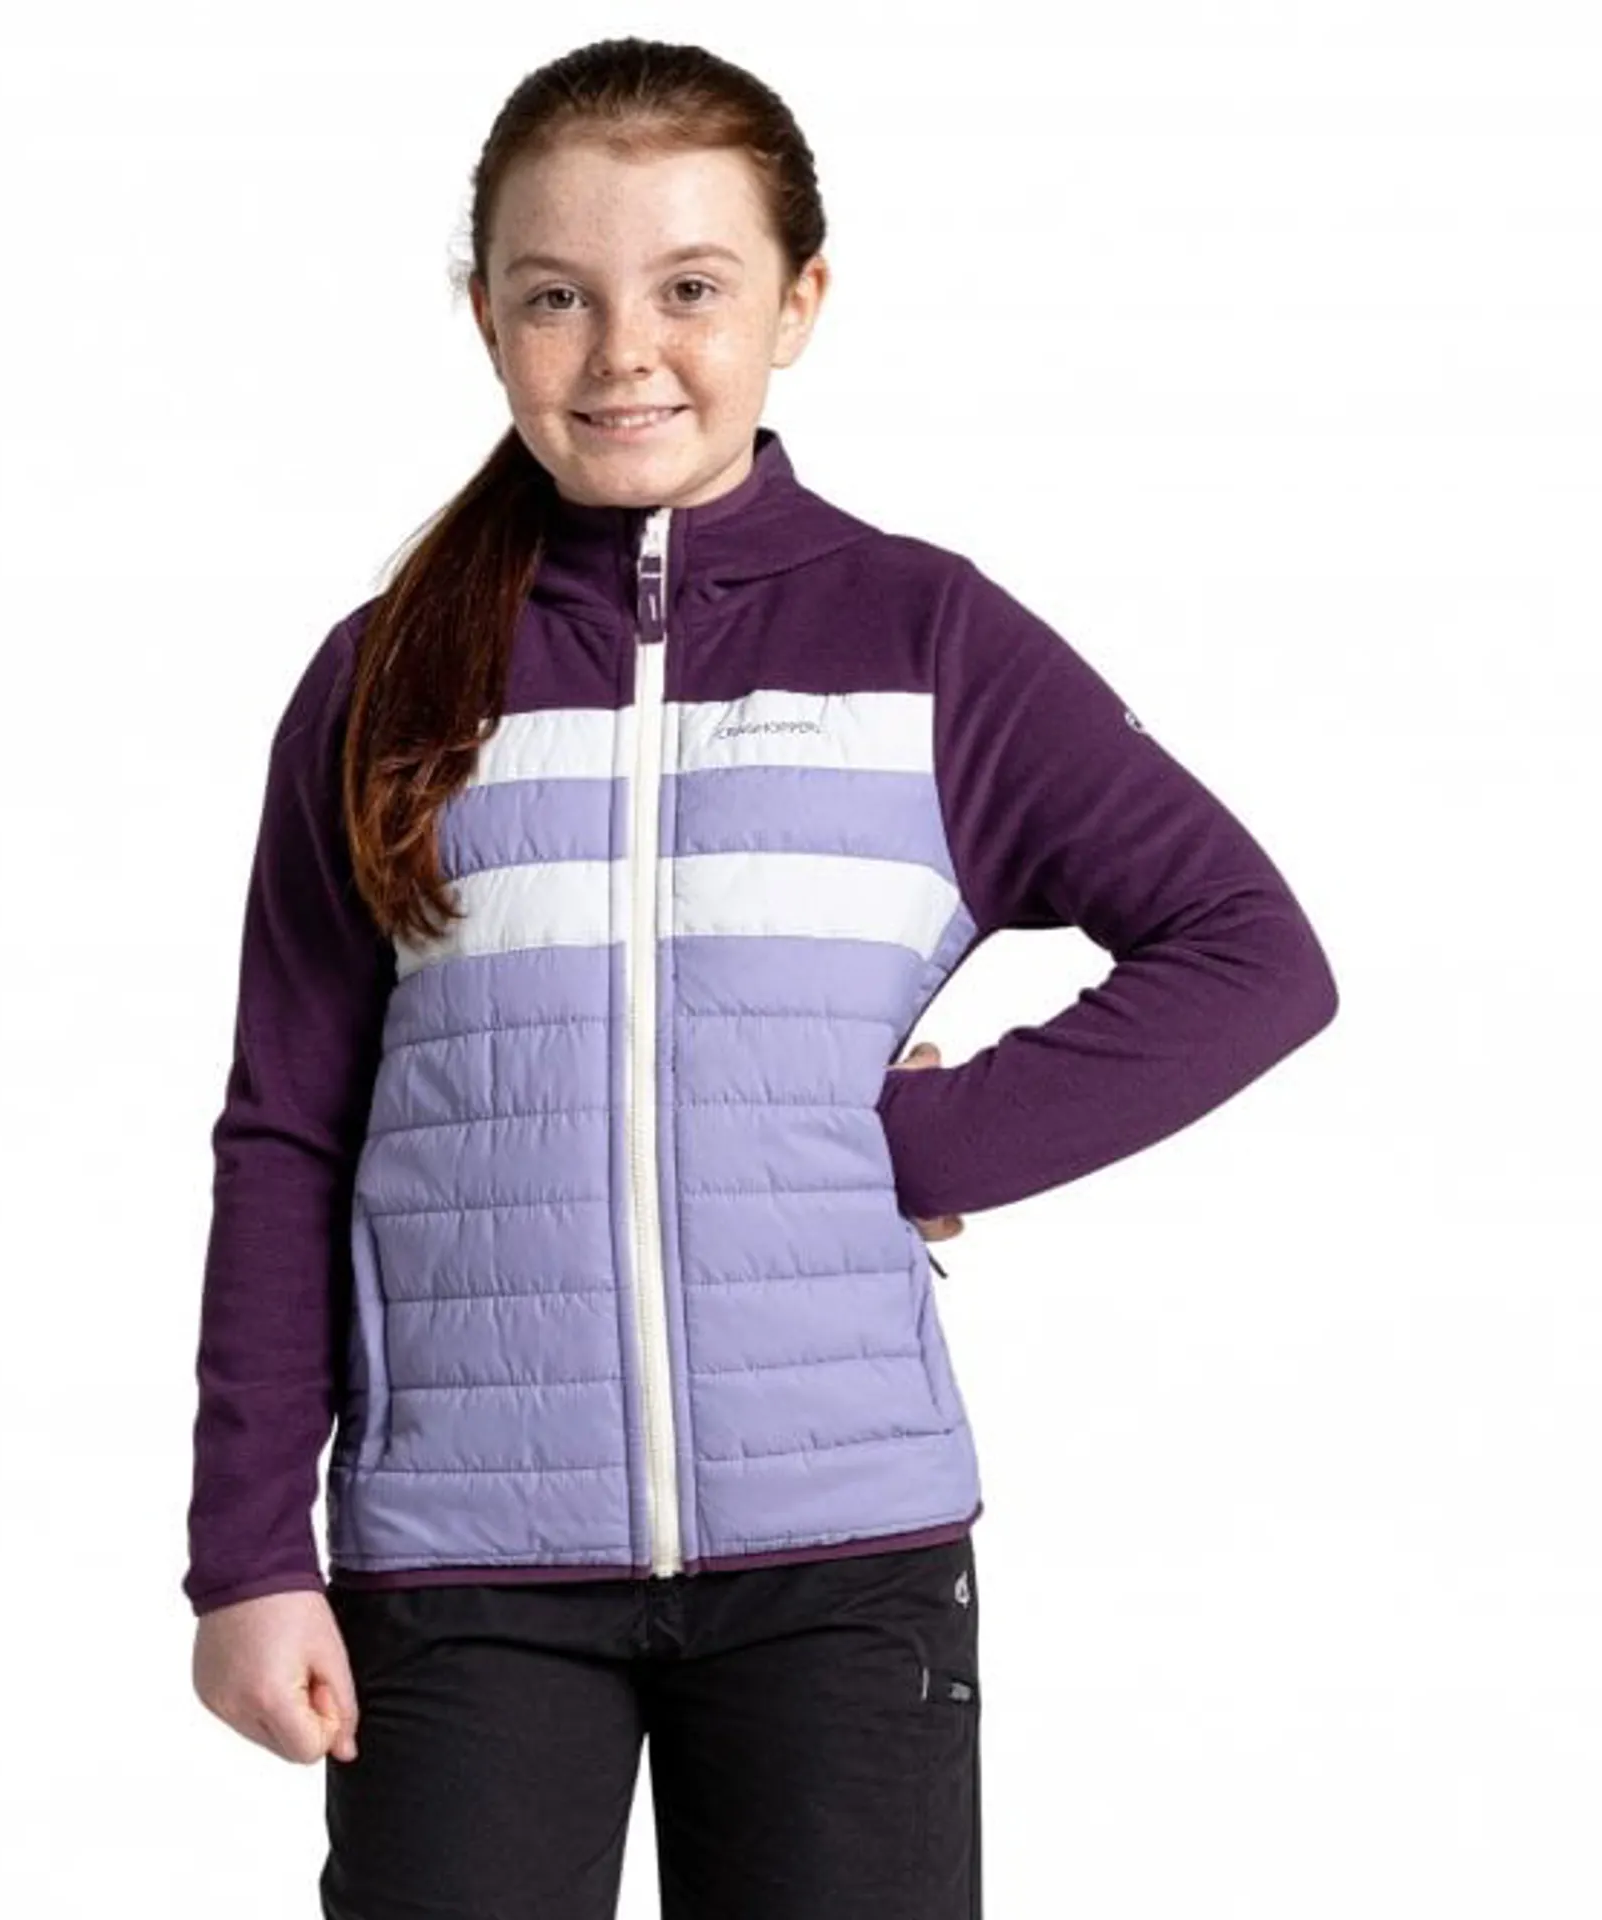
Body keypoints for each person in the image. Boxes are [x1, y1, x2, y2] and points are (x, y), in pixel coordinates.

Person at [183, 34, 1339, 1920]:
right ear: (485, 317)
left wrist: (915, 1141)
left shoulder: (929, 638)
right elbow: (288, 1131)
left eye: (692, 288)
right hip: (465, 1566)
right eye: (557, 296)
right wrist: (247, 1552)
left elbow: (1249, 952)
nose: (622, 352)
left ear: (798, 303)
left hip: (843, 1559)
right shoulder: (382, 675)